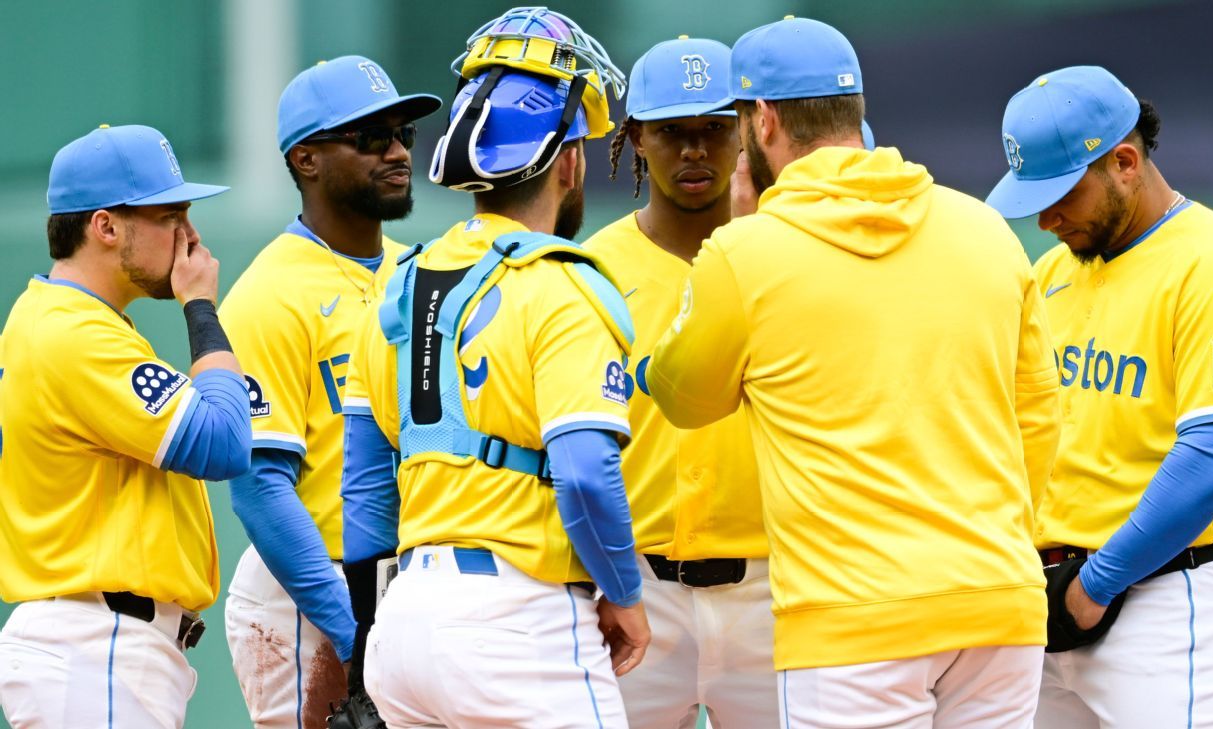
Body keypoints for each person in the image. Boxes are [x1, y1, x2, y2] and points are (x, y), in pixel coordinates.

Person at [648, 16, 1060, 728]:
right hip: (1000, 605)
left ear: (763, 120)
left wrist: (739, 237)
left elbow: (683, 399)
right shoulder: (987, 230)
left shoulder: (746, 253)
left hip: (851, 622)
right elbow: (1041, 422)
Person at [339, 8, 650, 727]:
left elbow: (365, 488)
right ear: (567, 161)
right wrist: (625, 594)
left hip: (404, 624)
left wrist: (371, 643)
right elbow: (583, 472)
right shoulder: (562, 283)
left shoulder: (398, 284)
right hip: (518, 622)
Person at [986, 65, 1213, 728]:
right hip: (1047, 602)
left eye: (1063, 194)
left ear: (1124, 162)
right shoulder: (1053, 271)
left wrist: (1095, 586)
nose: (1046, 219)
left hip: (1164, 602)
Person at [0, 124, 251, 728]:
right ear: (106, 226)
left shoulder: (65, 320)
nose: (190, 236)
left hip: (96, 643)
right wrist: (201, 307)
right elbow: (224, 441)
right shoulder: (73, 333)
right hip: (94, 643)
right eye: (170, 216)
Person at [218, 55, 440, 728]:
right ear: (306, 159)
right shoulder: (269, 293)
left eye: (402, 133)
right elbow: (260, 488)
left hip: (406, 588)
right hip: (310, 598)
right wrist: (355, 634)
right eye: (370, 137)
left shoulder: (419, 271)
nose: (397, 152)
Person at [584, 35, 777, 727]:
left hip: (774, 589)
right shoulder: (591, 271)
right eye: (671, 132)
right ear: (636, 137)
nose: (695, 151)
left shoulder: (788, 257)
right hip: (634, 592)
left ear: (751, 129)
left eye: (714, 129)